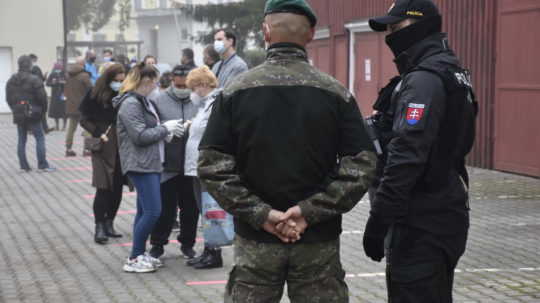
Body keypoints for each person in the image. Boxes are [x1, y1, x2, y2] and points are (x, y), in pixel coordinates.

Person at [197, 0, 376, 301]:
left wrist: (262, 214)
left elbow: (211, 164)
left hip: (256, 242)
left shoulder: (235, 92)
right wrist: (309, 212)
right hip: (317, 241)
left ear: (265, 32)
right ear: (311, 34)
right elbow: (363, 164)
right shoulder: (336, 94)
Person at [362, 1, 478, 302]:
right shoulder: (448, 70)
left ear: (420, 25)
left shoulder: (424, 80)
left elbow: (406, 157)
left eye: (395, 27)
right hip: (442, 209)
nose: (390, 35)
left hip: (422, 221)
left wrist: (378, 221)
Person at [113, 62, 185, 273]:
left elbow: (148, 131)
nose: (155, 85)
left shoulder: (141, 100)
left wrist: (166, 133)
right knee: (154, 212)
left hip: (150, 163)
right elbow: (140, 136)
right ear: (143, 81)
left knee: (144, 211)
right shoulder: (131, 104)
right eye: (152, 81)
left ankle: (138, 254)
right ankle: (134, 257)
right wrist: (165, 129)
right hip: (141, 165)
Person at [148, 65, 201, 260]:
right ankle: (157, 244)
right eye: (178, 84)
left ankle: (188, 243)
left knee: (190, 208)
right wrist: (166, 129)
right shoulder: (159, 100)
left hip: (191, 164)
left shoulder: (198, 100)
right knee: (164, 209)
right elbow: (151, 126)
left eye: (185, 84)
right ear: (172, 81)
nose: (182, 88)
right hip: (167, 164)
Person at [183, 66, 226, 269]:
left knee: (210, 209)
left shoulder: (216, 103)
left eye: (194, 87)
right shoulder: (205, 104)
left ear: (203, 85)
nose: (193, 91)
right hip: (195, 165)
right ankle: (208, 249)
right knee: (203, 209)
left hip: (206, 165)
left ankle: (214, 253)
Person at [79, 63, 127, 245]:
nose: (119, 84)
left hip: (121, 145)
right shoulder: (94, 94)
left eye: (122, 81)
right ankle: (99, 225)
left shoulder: (125, 94)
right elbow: (84, 119)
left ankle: (110, 223)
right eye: (116, 81)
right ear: (108, 79)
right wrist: (99, 133)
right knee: (103, 186)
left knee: (117, 187)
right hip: (103, 145)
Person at [6, 55, 55, 173]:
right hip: (34, 112)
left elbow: (8, 98)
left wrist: (15, 109)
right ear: (29, 65)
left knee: (21, 139)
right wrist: (43, 111)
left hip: (19, 113)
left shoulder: (11, 80)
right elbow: (43, 98)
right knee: (39, 138)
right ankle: (42, 165)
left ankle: (24, 166)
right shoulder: (34, 79)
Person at [64, 58, 92, 157]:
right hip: (83, 107)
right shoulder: (85, 76)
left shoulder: (68, 75)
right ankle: (87, 149)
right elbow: (90, 90)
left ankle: (68, 148)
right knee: (88, 127)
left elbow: (65, 90)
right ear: (83, 64)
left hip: (71, 106)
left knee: (71, 128)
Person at [46, 62, 67, 131]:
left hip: (63, 94)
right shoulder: (52, 74)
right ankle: (57, 125)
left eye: (59, 68)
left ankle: (64, 126)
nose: (58, 70)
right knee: (55, 110)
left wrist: (63, 82)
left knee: (64, 110)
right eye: (57, 68)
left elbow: (68, 83)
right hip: (55, 95)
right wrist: (53, 83)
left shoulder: (64, 74)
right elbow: (47, 83)